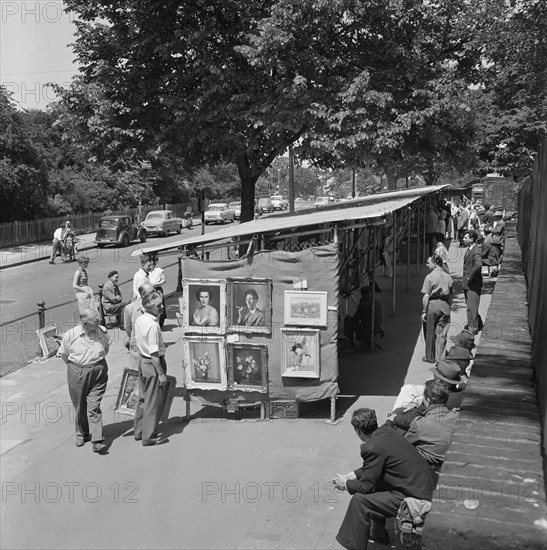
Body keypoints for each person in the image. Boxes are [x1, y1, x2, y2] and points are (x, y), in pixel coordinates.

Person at [333, 408, 436, 550]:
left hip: (414, 497)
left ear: (358, 431)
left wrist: (346, 484)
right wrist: (353, 475)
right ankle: (378, 532)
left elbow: (365, 487)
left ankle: (353, 545)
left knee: (359, 500)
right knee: (377, 482)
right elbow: (375, 468)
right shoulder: (388, 432)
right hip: (426, 485)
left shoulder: (371, 447)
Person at [58, 309, 111, 454]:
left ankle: (98, 440)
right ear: (85, 322)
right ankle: (82, 434)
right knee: (80, 405)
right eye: (96, 320)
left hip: (98, 371)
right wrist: (77, 368)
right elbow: (64, 354)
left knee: (94, 405)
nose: (99, 322)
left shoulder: (102, 331)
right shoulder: (71, 335)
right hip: (77, 371)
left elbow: (106, 348)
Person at [387, 359, 465, 433]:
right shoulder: (459, 392)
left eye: (435, 375)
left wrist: (395, 418)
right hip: (433, 398)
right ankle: (396, 412)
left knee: (410, 397)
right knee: (408, 389)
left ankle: (394, 415)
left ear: (440, 380)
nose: (433, 376)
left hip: (417, 418)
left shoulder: (438, 398)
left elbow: (413, 419)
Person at [133, 291, 169, 446]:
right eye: (158, 305)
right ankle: (148, 436)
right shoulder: (153, 325)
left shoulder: (140, 319)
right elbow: (154, 353)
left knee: (143, 398)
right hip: (152, 363)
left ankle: (139, 431)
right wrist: (161, 374)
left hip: (142, 360)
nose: (161, 307)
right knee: (152, 401)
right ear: (149, 306)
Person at [404, 379, 460, 472]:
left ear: (428, 400)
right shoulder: (457, 416)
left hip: (429, 470)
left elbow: (404, 445)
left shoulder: (420, 424)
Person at [421, 255, 453, 364]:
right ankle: (441, 359)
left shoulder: (429, 277)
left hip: (432, 305)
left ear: (434, 263)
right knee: (442, 333)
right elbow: (450, 295)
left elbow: (426, 296)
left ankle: (430, 357)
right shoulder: (448, 277)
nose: (426, 264)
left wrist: (424, 311)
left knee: (429, 331)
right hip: (445, 305)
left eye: (428, 262)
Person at [124, 283, 156, 369]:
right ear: (143, 295)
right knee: (136, 371)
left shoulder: (156, 306)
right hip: (136, 346)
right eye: (152, 292)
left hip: (151, 345)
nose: (155, 294)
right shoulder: (130, 308)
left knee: (152, 372)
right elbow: (127, 328)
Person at [462, 229, 483, 334]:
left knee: (471, 307)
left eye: (466, 238)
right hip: (468, 284)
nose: (463, 239)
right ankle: (477, 324)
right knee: (471, 306)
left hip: (472, 285)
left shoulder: (475, 250)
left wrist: (470, 277)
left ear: (472, 239)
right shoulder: (470, 249)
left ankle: (472, 328)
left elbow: (478, 264)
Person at [149, 255, 167, 328]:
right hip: (149, 290)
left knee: (160, 306)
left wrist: (156, 284)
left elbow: (163, 280)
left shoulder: (159, 270)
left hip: (157, 290)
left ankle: (160, 323)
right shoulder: (147, 271)